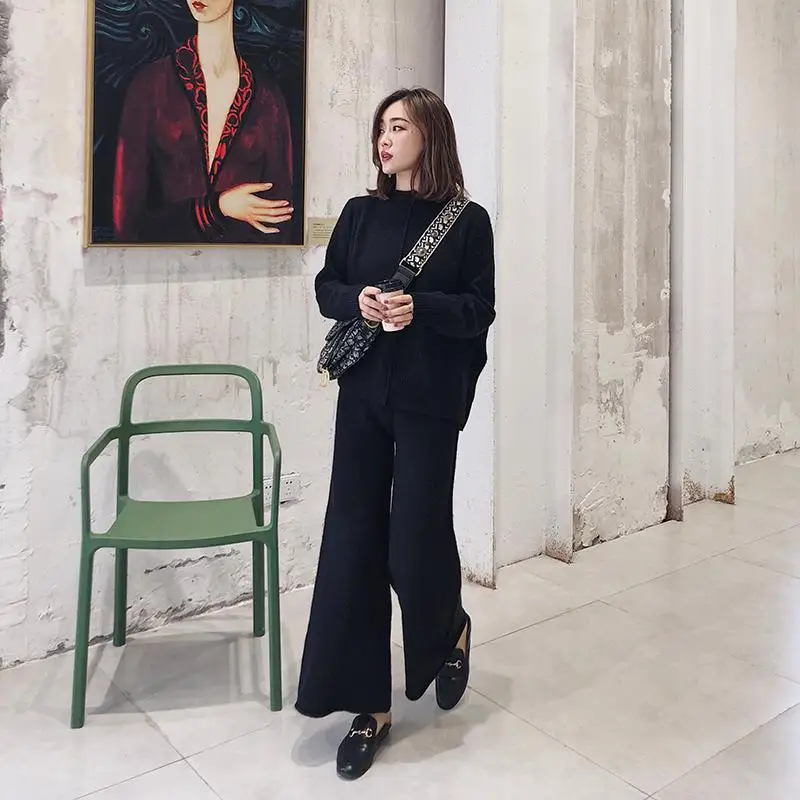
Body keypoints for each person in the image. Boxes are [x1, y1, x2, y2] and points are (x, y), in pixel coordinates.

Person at [295, 87, 496, 780]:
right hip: (363, 398)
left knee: (414, 540)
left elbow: (478, 309)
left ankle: (449, 628)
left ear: (429, 135)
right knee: (353, 543)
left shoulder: (467, 222)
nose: (384, 139)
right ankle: (368, 708)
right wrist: (358, 299)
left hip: (427, 403)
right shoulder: (359, 214)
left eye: (399, 126)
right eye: (380, 127)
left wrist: (421, 307)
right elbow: (327, 286)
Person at [112, 0, 294, 244]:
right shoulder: (150, 86)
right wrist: (216, 208)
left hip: (248, 265)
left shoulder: (268, 98)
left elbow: (281, 221)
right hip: (158, 264)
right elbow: (127, 226)